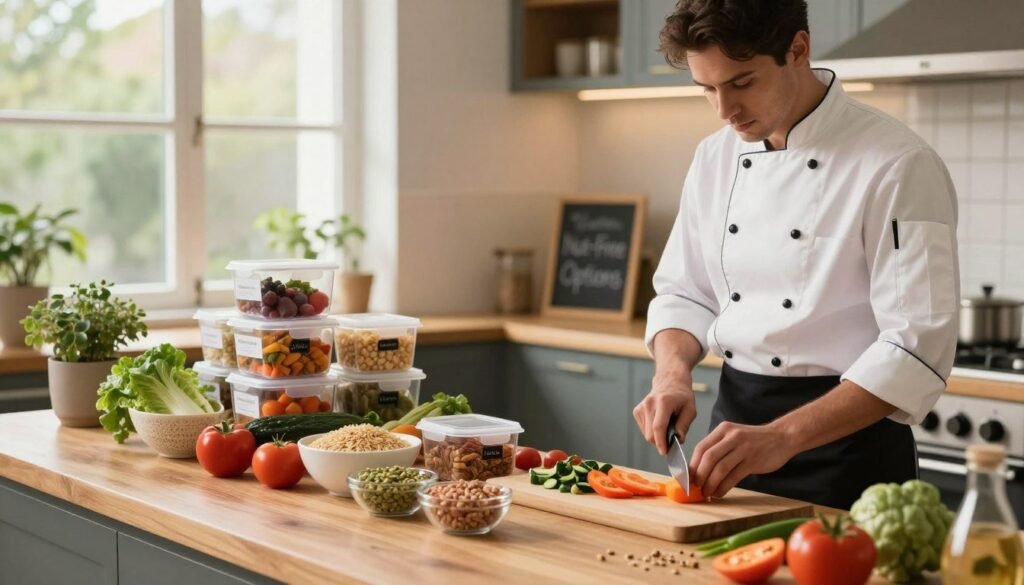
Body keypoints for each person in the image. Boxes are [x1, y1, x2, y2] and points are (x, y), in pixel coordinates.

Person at [633, 0, 959, 509]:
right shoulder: (715, 157)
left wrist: (782, 437)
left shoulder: (898, 164)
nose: (725, 110)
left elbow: (916, 348)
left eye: (741, 83)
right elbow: (684, 291)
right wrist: (671, 373)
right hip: (731, 443)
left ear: (798, 50)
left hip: (849, 454)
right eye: (707, 90)